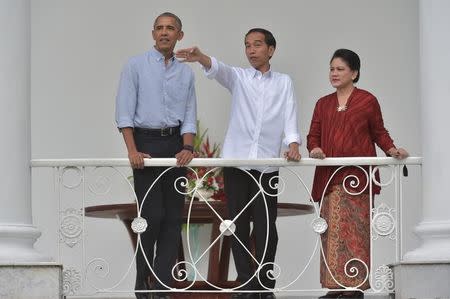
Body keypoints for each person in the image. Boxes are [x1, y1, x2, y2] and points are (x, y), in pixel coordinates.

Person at [176, 28, 301, 299]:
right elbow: (220, 69)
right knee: (237, 226)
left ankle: (264, 286)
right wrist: (201, 57)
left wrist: (293, 143)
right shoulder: (240, 77)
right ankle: (245, 285)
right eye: (247, 45)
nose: (252, 50)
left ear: (271, 49)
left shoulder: (284, 82)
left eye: (257, 45)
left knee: (268, 228)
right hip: (237, 164)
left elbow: (290, 112)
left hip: (267, 166)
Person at [307, 49, 408, 298]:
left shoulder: (367, 100)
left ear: (354, 73)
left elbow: (379, 132)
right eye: (331, 69)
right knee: (330, 232)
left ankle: (355, 286)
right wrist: (315, 148)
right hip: (330, 178)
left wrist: (392, 149)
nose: (334, 73)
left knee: (355, 233)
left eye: (340, 69)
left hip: (357, 179)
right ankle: (333, 287)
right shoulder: (323, 103)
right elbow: (313, 136)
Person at [115, 12, 197, 299]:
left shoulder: (186, 72)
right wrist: (132, 150)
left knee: (174, 218)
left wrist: (187, 147)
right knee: (150, 216)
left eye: (170, 28)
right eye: (160, 28)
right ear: (153, 34)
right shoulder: (135, 66)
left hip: (176, 147)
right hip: (145, 144)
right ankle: (142, 285)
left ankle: (162, 288)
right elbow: (124, 111)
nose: (164, 33)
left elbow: (189, 115)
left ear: (179, 35)